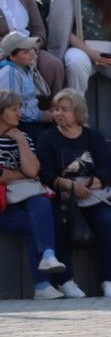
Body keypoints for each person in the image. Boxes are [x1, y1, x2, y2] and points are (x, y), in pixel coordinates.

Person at [37, 87, 111, 297]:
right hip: (63, 195)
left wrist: (91, 183)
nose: (58, 114)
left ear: (78, 113)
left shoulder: (93, 136)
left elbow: (107, 168)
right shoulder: (47, 138)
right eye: (56, 109)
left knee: (109, 222)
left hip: (92, 194)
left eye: (64, 109)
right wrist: (70, 186)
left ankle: (108, 280)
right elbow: (45, 173)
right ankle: (65, 280)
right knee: (58, 221)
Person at [0, 89, 67, 299]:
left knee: (41, 204)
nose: (19, 113)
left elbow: (33, 172)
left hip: (21, 197)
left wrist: (20, 141)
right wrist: (21, 175)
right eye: (14, 109)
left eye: (19, 108)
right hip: (2, 205)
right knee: (35, 223)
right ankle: (42, 284)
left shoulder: (23, 136)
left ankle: (47, 258)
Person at [0, 0, 65, 94]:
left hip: (29, 47)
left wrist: (33, 49)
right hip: (4, 52)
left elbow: (38, 29)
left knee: (53, 65)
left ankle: (50, 112)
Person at [0, 32, 54, 141]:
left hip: (32, 119)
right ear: (12, 56)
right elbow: (12, 109)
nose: (31, 54)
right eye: (25, 52)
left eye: (31, 49)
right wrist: (41, 116)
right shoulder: (10, 73)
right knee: (48, 139)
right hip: (20, 123)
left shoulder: (26, 68)